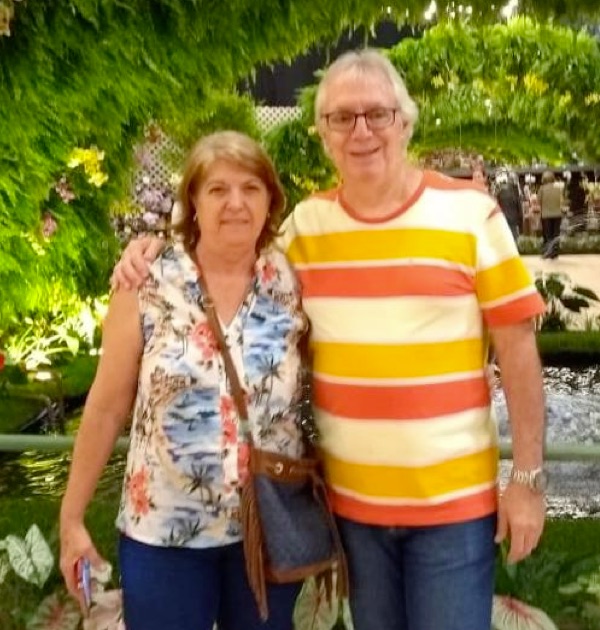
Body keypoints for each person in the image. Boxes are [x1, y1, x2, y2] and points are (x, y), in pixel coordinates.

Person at [113, 50, 547, 630]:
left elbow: (518, 351)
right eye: (342, 118)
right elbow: (227, 251)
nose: (361, 131)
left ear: (405, 122)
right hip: (352, 513)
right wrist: (151, 250)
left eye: (377, 114)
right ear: (323, 134)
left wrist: (528, 481)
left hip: (453, 512)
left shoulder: (472, 216)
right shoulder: (306, 229)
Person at [59, 131, 308, 630]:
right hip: (164, 532)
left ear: (270, 201)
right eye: (217, 189)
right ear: (192, 201)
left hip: (268, 529)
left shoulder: (290, 279)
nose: (235, 203)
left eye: (251, 188)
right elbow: (106, 406)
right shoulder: (147, 281)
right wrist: (72, 517)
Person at [538, 170, 563, 259]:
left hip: (546, 215)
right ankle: (555, 253)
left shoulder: (542, 189)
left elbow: (539, 201)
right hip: (557, 214)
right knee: (555, 234)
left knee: (548, 235)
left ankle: (548, 252)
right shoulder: (558, 189)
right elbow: (561, 201)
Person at [495, 170, 524, 243]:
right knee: (514, 238)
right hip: (513, 217)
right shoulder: (515, 190)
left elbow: (497, 203)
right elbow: (519, 206)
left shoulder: (500, 190)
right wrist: (521, 218)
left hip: (503, 217)